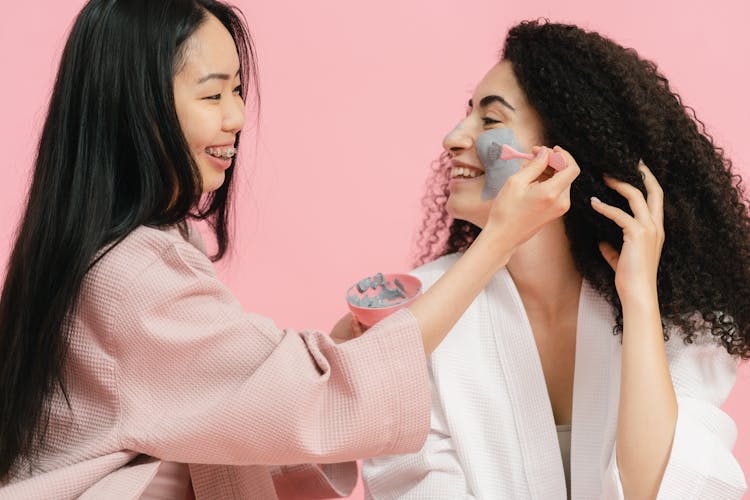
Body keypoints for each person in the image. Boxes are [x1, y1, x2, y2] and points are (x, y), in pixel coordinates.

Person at [0, 2, 581, 499]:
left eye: (236, 90)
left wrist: (343, 351)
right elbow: (312, 404)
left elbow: (239, 407)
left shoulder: (133, 255)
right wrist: (498, 240)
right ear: (134, 106)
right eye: (212, 95)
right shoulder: (130, 277)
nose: (238, 117)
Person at [363, 20, 749, 499]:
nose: (452, 138)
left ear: (564, 152)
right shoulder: (418, 314)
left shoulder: (680, 312)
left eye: (489, 120)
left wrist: (640, 302)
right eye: (467, 115)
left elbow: (666, 487)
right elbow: (414, 485)